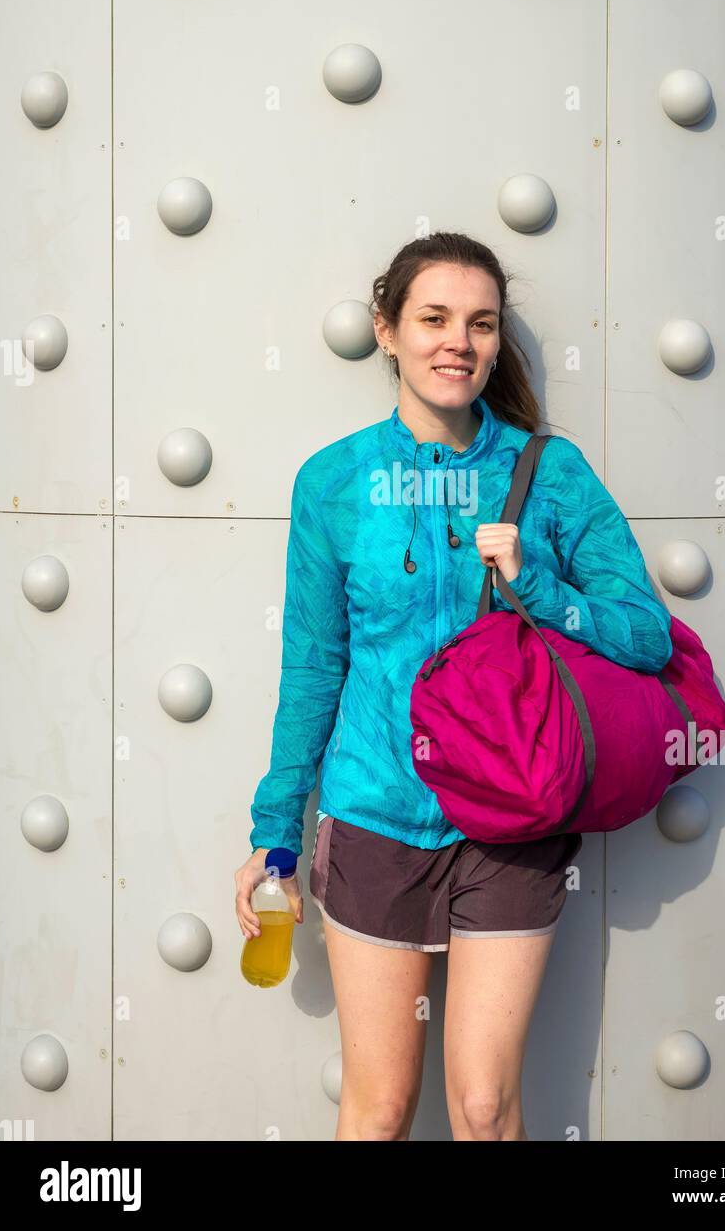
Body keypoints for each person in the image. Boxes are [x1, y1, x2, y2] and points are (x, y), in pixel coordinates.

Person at [235, 231, 672, 1140]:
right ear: (385, 330)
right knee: (379, 1111)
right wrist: (274, 835)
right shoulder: (333, 483)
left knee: (483, 1108)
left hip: (512, 820)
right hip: (374, 814)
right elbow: (312, 665)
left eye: (480, 323)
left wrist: (538, 589)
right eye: (433, 319)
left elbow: (645, 633)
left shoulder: (549, 473)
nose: (457, 343)